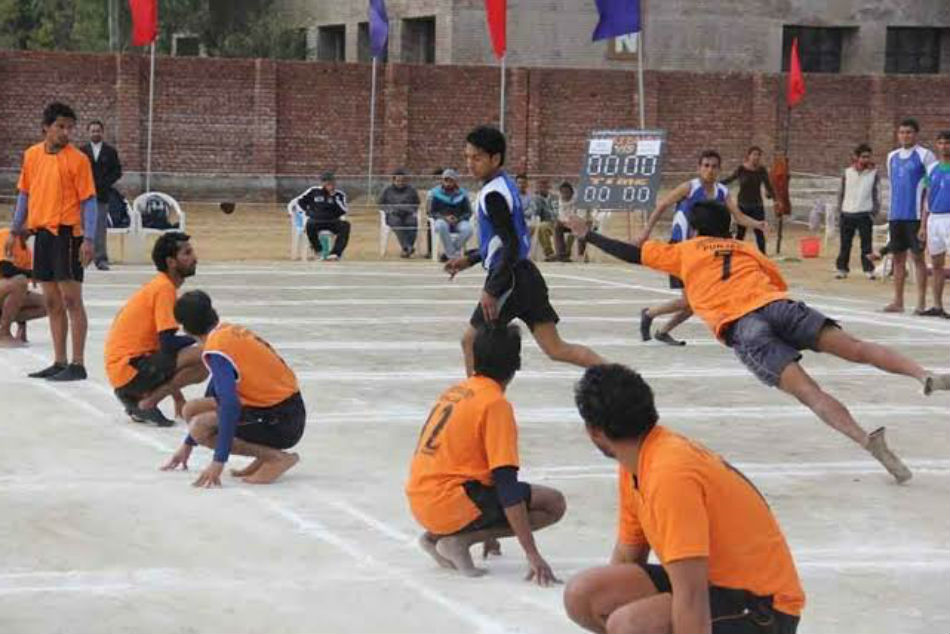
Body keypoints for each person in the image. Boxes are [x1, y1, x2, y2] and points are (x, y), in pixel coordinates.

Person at [567, 200, 950, 483]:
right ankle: (922, 374)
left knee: (811, 393)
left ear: (696, 232)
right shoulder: (745, 248)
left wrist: (589, 235)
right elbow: (776, 283)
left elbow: (631, 253)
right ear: (728, 230)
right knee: (858, 348)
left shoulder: (684, 251)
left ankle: (867, 441)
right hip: (778, 304)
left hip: (743, 326)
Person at [564, 364, 804, 634]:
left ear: (594, 431)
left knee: (631, 624)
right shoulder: (635, 460)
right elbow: (627, 558)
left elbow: (691, 595)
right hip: (710, 586)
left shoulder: (669, 473)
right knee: (582, 595)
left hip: (763, 608)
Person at [406, 324, 565, 581]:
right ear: (516, 365)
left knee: (492, 492)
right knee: (553, 503)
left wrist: (490, 532)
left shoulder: (456, 391)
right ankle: (458, 540)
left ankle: (435, 536)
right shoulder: (495, 404)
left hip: (421, 499)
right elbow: (506, 484)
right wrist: (532, 554)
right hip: (450, 501)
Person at [445, 125, 606, 376]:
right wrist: (471, 258)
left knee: (470, 341)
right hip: (527, 276)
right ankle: (617, 373)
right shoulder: (504, 184)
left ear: (495, 158)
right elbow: (506, 240)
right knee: (557, 349)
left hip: (510, 280)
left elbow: (509, 245)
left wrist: (491, 289)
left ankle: (477, 408)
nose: (469, 163)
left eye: (476, 157)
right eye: (467, 157)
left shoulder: (492, 195)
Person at [161, 290, 305, 487]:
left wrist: (218, 461)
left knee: (201, 426)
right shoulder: (225, 333)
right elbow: (214, 395)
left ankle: (275, 457)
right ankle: (264, 454)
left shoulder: (218, 350)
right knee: (191, 410)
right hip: (286, 410)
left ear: (185, 329)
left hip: (281, 421)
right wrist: (188, 445)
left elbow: (229, 406)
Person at [4, 102, 97, 381]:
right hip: (41, 235)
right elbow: (24, 195)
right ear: (46, 127)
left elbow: (89, 201)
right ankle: (59, 360)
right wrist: (14, 229)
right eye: (60, 126)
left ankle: (78, 363)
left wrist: (89, 239)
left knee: (71, 300)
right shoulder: (32, 155)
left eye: (70, 127)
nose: (66, 132)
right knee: (52, 302)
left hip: (68, 235)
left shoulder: (78, 159)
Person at [637, 150, 767, 347]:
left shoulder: (722, 192)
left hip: (703, 253)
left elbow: (739, 217)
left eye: (714, 166)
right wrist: (646, 232)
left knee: (695, 302)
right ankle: (649, 313)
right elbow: (662, 205)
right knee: (690, 301)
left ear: (719, 169)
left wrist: (758, 224)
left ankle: (662, 331)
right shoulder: (689, 187)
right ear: (699, 168)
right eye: (706, 165)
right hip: (680, 250)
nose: (710, 170)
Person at [104, 232, 207, 426]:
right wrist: (200, 338)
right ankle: (146, 402)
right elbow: (168, 344)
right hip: (129, 369)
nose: (195, 258)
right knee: (206, 352)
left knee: (202, 363)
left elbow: (162, 347)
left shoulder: (161, 286)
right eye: (187, 253)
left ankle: (137, 399)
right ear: (171, 262)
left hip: (124, 370)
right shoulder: (164, 289)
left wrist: (178, 397)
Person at [884, 118, 937, 314]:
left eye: (909, 132)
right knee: (897, 259)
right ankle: (898, 301)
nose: (905, 135)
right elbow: (893, 185)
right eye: (902, 132)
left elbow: (929, 188)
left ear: (916, 134)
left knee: (918, 258)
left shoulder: (925, 156)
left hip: (915, 216)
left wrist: (925, 220)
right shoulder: (892, 157)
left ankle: (921, 302)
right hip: (895, 214)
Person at [79, 120, 122, 271]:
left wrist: (105, 183)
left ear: (102, 132)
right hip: (84, 195)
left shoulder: (110, 152)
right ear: (88, 133)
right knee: (82, 226)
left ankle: (101, 258)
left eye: (98, 131)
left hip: (102, 195)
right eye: (93, 131)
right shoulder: (81, 152)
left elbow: (117, 172)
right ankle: (82, 258)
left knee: (100, 227)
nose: (95, 133)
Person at [834, 144, 881, 280]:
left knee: (866, 245)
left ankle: (868, 269)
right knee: (845, 244)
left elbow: (877, 194)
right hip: (847, 213)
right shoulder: (847, 172)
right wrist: (840, 211)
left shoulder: (873, 173)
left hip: (864, 214)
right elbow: (840, 193)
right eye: (863, 157)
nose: (866, 160)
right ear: (856, 157)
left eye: (868, 157)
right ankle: (842, 269)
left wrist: (874, 212)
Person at [919, 130, 950, 318]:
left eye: (947, 143)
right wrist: (923, 225)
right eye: (941, 143)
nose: (944, 146)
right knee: (936, 264)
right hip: (934, 219)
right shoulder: (931, 168)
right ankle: (937, 305)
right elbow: (927, 198)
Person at [722, 145, 774, 254]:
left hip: (757, 206)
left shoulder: (762, 170)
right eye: (754, 154)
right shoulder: (741, 169)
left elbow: (768, 186)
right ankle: (735, 255)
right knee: (740, 233)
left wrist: (775, 198)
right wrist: (716, 183)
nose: (756, 157)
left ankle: (763, 256)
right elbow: (730, 179)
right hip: (742, 206)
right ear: (748, 156)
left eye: (758, 155)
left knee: (759, 232)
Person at [0, 229, 46, 347]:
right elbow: (6, 270)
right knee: (20, 280)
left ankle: (8, 321)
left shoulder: (27, 251)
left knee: (51, 303)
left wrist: (22, 327)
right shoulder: (6, 236)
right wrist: (34, 274)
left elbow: (21, 292)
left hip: (6, 294)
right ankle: (3, 332)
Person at [291, 171, 349, 261]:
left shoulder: (339, 195)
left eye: (331, 181)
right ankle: (318, 250)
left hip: (332, 220)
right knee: (309, 225)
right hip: (316, 219)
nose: (329, 184)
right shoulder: (314, 191)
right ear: (322, 182)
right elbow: (300, 201)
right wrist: (306, 212)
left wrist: (333, 197)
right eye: (326, 181)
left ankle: (335, 253)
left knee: (345, 225)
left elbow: (344, 210)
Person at [428, 168, 474, 261]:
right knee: (441, 225)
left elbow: (468, 212)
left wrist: (459, 219)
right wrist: (445, 218)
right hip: (442, 221)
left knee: (468, 229)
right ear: (442, 180)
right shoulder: (436, 194)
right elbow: (431, 212)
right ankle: (452, 255)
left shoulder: (462, 194)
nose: (448, 183)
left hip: (458, 221)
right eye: (446, 180)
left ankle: (448, 253)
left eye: (451, 180)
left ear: (455, 181)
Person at [378, 167, 421, 258]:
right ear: (393, 180)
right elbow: (381, 203)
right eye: (398, 180)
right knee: (397, 223)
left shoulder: (411, 190)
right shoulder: (387, 190)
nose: (400, 183)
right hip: (393, 214)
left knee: (412, 222)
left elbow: (417, 203)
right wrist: (389, 210)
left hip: (408, 213)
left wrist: (412, 210)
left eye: (403, 181)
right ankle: (407, 247)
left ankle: (407, 248)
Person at [553, 181, 588, 262]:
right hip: (568, 224)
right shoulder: (560, 201)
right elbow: (561, 216)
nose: (565, 195)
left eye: (567, 192)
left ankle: (581, 254)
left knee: (580, 228)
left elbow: (582, 216)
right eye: (563, 192)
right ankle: (561, 254)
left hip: (580, 223)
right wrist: (565, 221)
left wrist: (571, 220)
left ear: (572, 192)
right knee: (557, 226)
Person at [529, 178, 558, 260]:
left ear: (548, 187)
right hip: (548, 223)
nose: (542, 189)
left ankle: (562, 254)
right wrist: (536, 200)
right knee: (542, 226)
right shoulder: (536, 199)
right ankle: (549, 253)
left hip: (558, 221)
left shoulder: (555, 198)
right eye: (540, 187)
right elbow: (536, 213)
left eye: (544, 186)